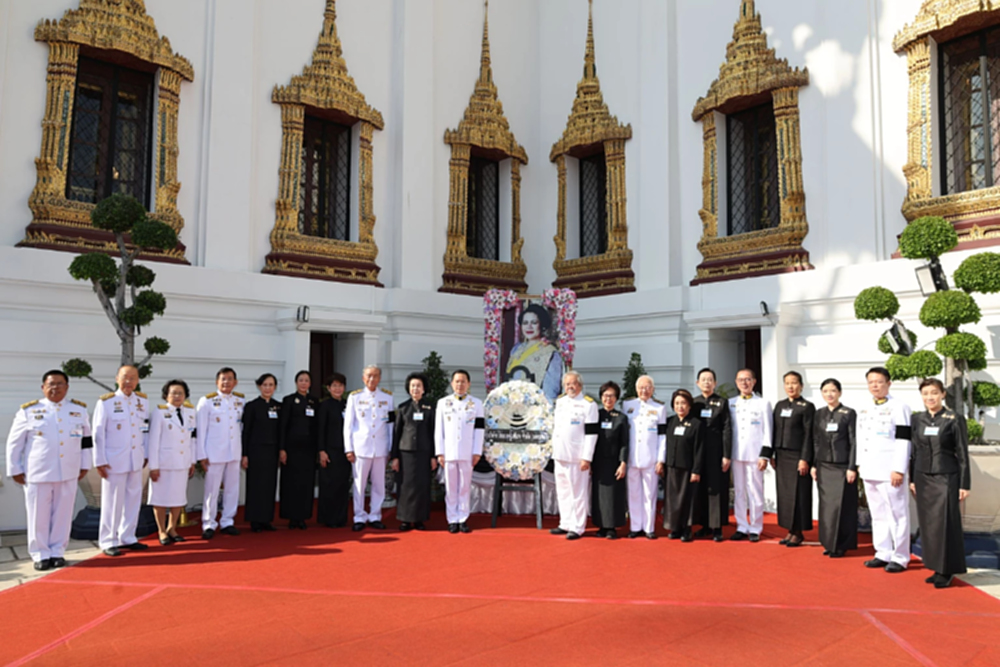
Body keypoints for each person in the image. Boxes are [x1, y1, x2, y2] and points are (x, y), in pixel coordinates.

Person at [5, 371, 92, 570]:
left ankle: (57, 552)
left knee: (63, 513)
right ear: (43, 387)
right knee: (38, 515)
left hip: (69, 471)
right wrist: (15, 469)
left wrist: (85, 464)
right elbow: (14, 443)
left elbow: (86, 441)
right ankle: (40, 554)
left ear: (67, 387)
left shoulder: (78, 410)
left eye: (60, 384)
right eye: (51, 384)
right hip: (38, 472)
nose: (55, 388)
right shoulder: (29, 411)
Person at [910, 378, 970, 588]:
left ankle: (948, 569)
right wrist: (911, 478)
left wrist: (964, 484)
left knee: (946, 523)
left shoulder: (953, 418)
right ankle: (935, 566)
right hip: (922, 477)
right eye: (925, 393)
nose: (930, 397)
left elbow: (962, 453)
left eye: (934, 393)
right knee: (929, 525)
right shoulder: (917, 419)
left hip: (946, 477)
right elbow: (914, 451)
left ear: (943, 394)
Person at [856, 366, 912, 573]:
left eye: (879, 381)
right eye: (871, 382)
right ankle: (882, 552)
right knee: (877, 514)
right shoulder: (864, 408)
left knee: (897, 514)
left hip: (890, 471)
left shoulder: (900, 407)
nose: (875, 385)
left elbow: (904, 440)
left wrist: (899, 468)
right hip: (870, 469)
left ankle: (901, 555)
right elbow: (861, 439)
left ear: (889, 383)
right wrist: (860, 464)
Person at [92, 364, 149, 557]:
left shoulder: (142, 401)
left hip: (136, 458)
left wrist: (146, 453)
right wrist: (99, 460)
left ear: (138, 381)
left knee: (133, 498)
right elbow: (98, 434)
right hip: (113, 460)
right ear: (117, 378)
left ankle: (128, 536)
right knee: (112, 501)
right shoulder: (106, 402)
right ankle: (108, 540)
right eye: (125, 377)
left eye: (133, 378)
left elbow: (145, 430)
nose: (128, 382)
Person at [761, 371, 815, 548]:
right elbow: (774, 431)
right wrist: (773, 454)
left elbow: (809, 435)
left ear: (801, 385)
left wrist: (805, 458)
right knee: (785, 495)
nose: (790, 386)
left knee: (799, 494)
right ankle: (790, 530)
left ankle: (798, 531)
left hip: (798, 456)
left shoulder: (806, 406)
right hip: (782, 457)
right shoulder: (780, 405)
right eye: (787, 383)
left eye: (794, 383)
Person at [811, 378, 858, 558]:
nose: (829, 394)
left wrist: (852, 466)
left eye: (833, 391)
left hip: (842, 466)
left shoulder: (848, 413)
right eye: (825, 391)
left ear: (839, 392)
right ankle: (828, 542)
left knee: (842, 506)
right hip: (824, 465)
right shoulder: (819, 413)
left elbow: (854, 441)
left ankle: (841, 544)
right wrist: (815, 464)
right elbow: (816, 440)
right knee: (827, 507)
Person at [196, 367, 245, 540]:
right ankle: (208, 523)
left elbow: (241, 428)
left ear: (235, 382)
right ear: (217, 382)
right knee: (212, 490)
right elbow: (201, 430)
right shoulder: (207, 401)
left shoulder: (240, 400)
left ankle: (227, 521)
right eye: (223, 379)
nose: (226, 382)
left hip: (234, 451)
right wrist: (201, 455)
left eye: (230, 379)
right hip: (214, 453)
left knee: (232, 488)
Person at [344, 365, 395, 531]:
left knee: (379, 485)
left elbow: (390, 425)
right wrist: (348, 448)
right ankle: (359, 516)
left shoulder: (387, 397)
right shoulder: (355, 397)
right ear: (363, 378)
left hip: (380, 447)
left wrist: (390, 448)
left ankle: (375, 515)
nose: (372, 379)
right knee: (359, 484)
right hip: (361, 447)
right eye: (369, 376)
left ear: (379, 378)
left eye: (375, 376)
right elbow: (348, 425)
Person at [550, 371, 599, 540]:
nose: (570, 387)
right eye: (567, 384)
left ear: (580, 385)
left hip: (577, 457)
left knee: (578, 492)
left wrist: (587, 457)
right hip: (560, 454)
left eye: (573, 384)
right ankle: (565, 522)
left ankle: (578, 527)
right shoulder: (561, 402)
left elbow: (592, 434)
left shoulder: (588, 405)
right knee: (563, 491)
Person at [435, 370, 484, 534]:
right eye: (457, 381)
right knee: (451, 487)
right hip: (448, 452)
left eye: (463, 381)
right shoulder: (443, 403)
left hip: (467, 451)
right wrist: (439, 452)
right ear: (452, 383)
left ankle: (463, 518)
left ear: (469, 384)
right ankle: (452, 519)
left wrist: (477, 451)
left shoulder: (476, 404)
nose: (460, 384)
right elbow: (438, 430)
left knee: (464, 486)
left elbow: (479, 429)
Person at [147, 379, 196, 545]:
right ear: (166, 395)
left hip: (182, 462)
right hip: (164, 463)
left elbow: (192, 439)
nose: (177, 396)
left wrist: (192, 461)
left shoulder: (190, 411)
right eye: (173, 393)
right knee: (160, 498)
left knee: (178, 498)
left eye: (180, 393)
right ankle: (161, 530)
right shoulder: (159, 412)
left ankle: (172, 528)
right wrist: (153, 466)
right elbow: (153, 441)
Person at [729, 368, 771, 542]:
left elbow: (768, 430)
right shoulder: (731, 403)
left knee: (755, 491)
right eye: (741, 380)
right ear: (736, 382)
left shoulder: (763, 403)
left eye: (748, 379)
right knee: (739, 491)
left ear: (754, 382)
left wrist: (765, 455)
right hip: (736, 453)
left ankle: (755, 527)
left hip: (755, 454)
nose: (744, 383)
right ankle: (741, 525)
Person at [391, 372, 437, 531]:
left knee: (422, 486)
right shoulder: (403, 408)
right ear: (408, 389)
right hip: (405, 453)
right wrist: (394, 457)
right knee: (405, 486)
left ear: (424, 389)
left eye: (418, 386)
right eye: (413, 386)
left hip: (424, 453)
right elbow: (396, 434)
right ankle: (404, 519)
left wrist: (433, 456)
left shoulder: (430, 408)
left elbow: (433, 433)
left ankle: (419, 519)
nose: (415, 389)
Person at [622, 375, 666, 539]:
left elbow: (662, 436)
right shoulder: (628, 405)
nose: (644, 390)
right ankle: (635, 526)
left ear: (653, 389)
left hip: (650, 458)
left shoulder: (659, 408)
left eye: (648, 387)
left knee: (650, 494)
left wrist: (661, 459)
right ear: (636, 389)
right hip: (633, 457)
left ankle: (648, 527)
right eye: (641, 387)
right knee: (633, 493)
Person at [691, 368, 732, 542]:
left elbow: (727, 429)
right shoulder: (694, 403)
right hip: (698, 452)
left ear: (715, 383)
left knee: (716, 489)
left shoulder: (722, 402)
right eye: (703, 379)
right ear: (697, 383)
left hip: (716, 452)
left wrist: (726, 454)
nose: (707, 382)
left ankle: (717, 527)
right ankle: (704, 525)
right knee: (701, 489)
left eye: (710, 379)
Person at [657, 389, 703, 542]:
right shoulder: (670, 422)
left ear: (689, 405)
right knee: (672, 499)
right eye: (677, 403)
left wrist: (696, 470)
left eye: (683, 403)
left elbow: (699, 449)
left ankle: (687, 528)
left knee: (687, 499)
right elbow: (663, 444)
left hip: (688, 468)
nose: (680, 406)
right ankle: (675, 527)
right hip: (671, 466)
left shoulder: (696, 424)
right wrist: (662, 463)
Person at [241, 373, 281, 532]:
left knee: (269, 486)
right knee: (256, 485)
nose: (268, 388)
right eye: (265, 385)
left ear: (275, 387)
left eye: (271, 385)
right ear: (259, 386)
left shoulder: (278, 406)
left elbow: (280, 431)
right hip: (255, 451)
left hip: (272, 451)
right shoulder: (252, 406)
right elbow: (246, 432)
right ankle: (255, 520)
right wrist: (245, 454)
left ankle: (266, 519)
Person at [278, 370, 318, 529]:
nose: (303, 383)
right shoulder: (288, 401)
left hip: (308, 449)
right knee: (291, 483)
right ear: (296, 383)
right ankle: (291, 517)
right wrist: (282, 448)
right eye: (300, 380)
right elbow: (282, 427)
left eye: (306, 380)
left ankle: (303, 516)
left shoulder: (315, 402)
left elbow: (317, 427)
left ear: (310, 384)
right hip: (291, 449)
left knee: (306, 483)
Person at [591, 381, 629, 539]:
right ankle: (600, 525)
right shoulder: (595, 415)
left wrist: (623, 462)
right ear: (601, 397)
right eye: (606, 395)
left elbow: (624, 443)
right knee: (598, 495)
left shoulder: (621, 418)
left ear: (617, 398)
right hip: (598, 461)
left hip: (614, 462)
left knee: (614, 495)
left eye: (612, 396)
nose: (608, 399)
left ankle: (612, 526)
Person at [504, 304, 563, 402]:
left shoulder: (549, 352)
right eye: (525, 323)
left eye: (534, 322)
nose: (529, 327)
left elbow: (551, 390)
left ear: (541, 324)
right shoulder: (516, 349)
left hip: (535, 407)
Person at [317, 373, 351, 528]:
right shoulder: (324, 405)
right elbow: (320, 429)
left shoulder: (348, 404)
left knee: (343, 484)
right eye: (334, 386)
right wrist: (321, 450)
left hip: (346, 451)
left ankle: (341, 517)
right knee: (329, 484)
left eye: (340, 385)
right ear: (328, 388)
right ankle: (328, 518)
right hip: (330, 451)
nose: (338, 389)